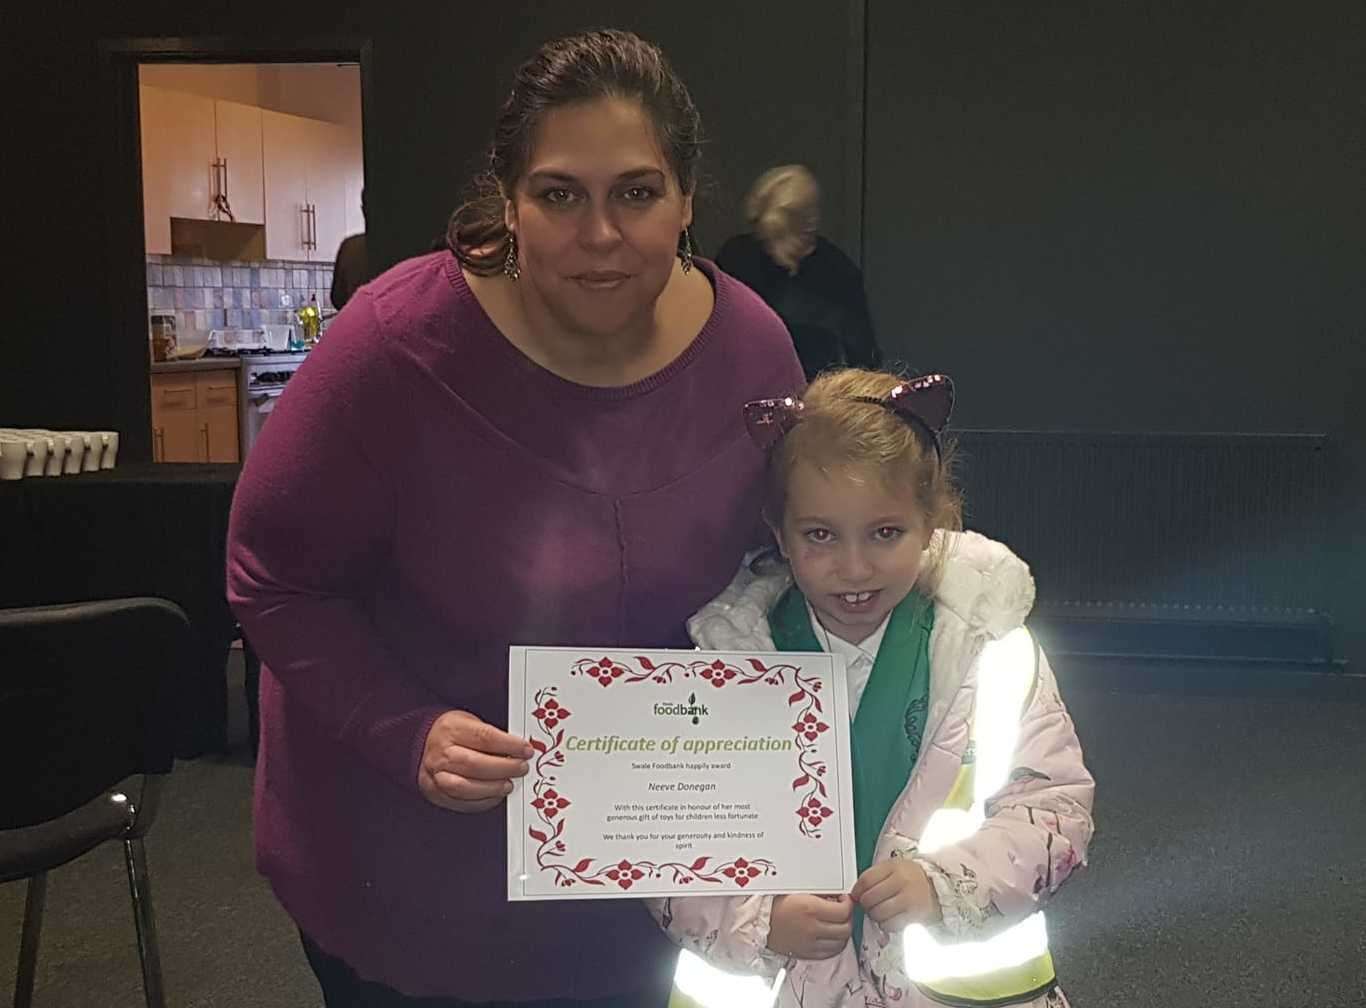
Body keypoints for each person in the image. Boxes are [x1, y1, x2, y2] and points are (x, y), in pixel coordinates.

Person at [227, 29, 804, 1008]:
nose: (600, 234)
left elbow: (786, 556)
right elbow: (270, 573)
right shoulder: (396, 348)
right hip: (408, 866)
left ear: (687, 200)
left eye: (636, 191)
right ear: (508, 200)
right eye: (559, 194)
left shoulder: (749, 349)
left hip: (639, 858)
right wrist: (402, 729)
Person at [650, 369, 1095, 1008]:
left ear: (930, 524)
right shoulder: (720, 668)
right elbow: (663, 839)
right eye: (820, 534)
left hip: (952, 993)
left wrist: (947, 885)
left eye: (885, 533)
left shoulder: (994, 654)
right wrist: (756, 920)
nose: (854, 567)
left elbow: (1054, 808)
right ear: (779, 533)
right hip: (779, 989)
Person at [716, 166, 882, 381]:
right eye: (801, 215)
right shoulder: (737, 258)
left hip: (816, 395)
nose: (811, 223)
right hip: (743, 385)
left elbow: (864, 353)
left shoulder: (837, 269)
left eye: (813, 212)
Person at [330, 187, 369, 310]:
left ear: (364, 210)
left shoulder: (350, 247)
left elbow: (337, 299)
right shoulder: (406, 247)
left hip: (358, 323)